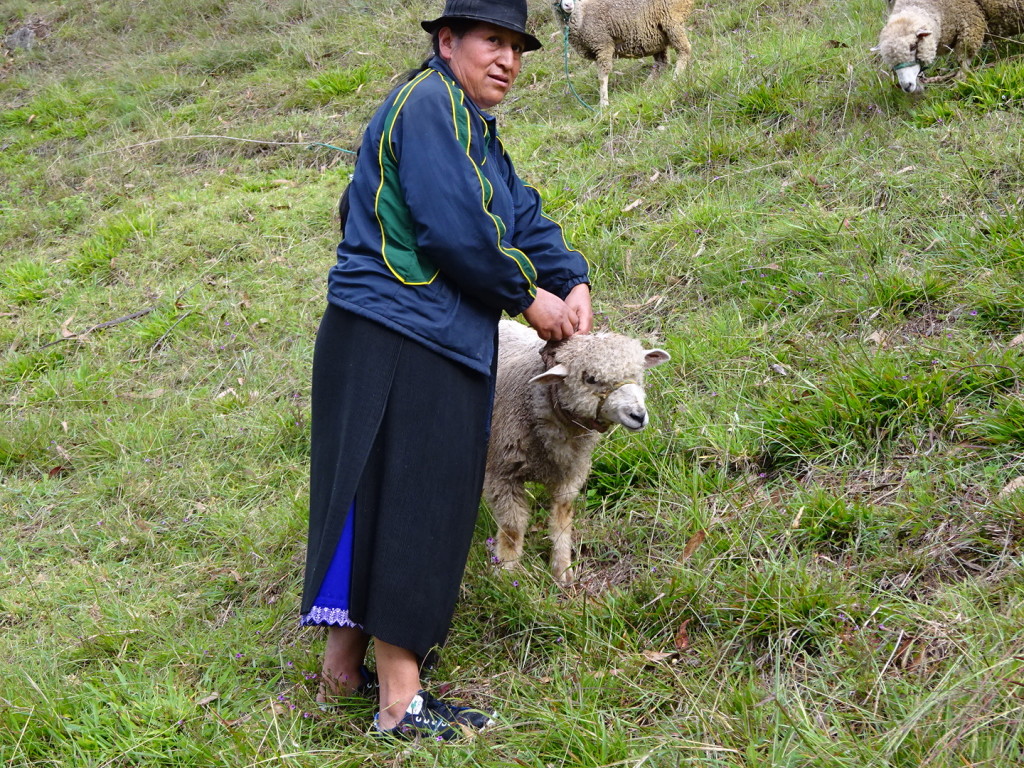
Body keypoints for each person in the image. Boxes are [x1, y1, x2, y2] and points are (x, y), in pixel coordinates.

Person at [300, 0, 592, 740]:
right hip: (405, 331)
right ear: (447, 41)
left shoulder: (467, 124)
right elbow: (454, 228)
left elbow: (517, 213)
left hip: (383, 329)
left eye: (517, 47)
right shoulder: (431, 105)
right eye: (491, 41)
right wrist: (530, 298)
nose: (507, 59)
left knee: (367, 494)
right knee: (417, 502)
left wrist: (570, 274)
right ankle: (400, 703)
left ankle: (341, 668)